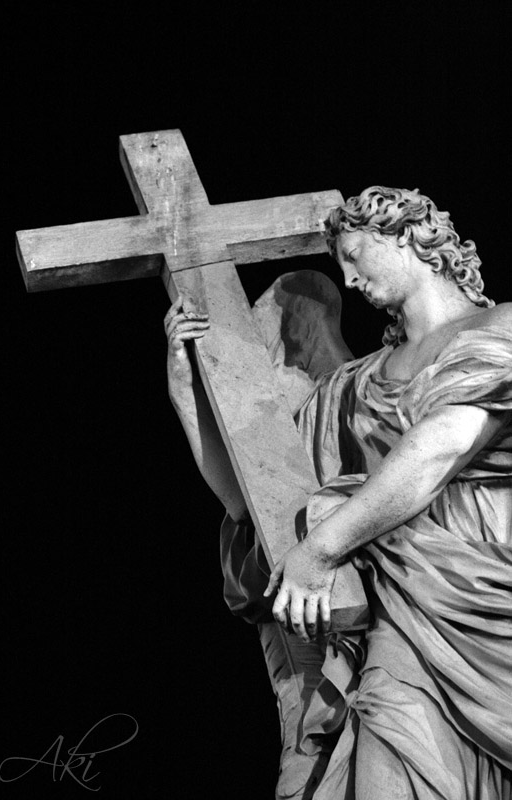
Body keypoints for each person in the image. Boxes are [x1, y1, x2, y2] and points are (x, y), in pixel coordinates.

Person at [165, 186, 512, 800]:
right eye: (339, 269)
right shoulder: (351, 385)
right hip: (390, 611)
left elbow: (442, 445)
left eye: (354, 255)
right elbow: (257, 499)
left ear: (405, 234)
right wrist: (186, 385)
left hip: (476, 587)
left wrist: (321, 550)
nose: (348, 280)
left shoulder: (500, 327)